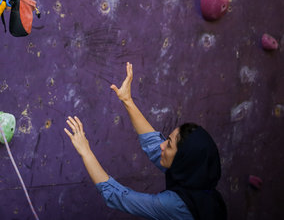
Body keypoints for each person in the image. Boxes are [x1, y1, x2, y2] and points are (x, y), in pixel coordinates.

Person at [64, 62, 227, 219]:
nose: (162, 145)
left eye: (168, 145)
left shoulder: (176, 205)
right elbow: (153, 144)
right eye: (167, 140)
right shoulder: (198, 180)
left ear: (183, 160)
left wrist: (85, 151)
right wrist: (127, 100)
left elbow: (118, 197)